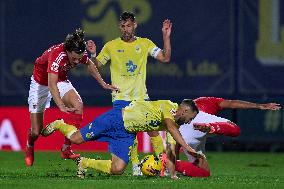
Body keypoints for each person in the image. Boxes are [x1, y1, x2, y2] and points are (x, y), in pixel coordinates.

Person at [86, 11, 172, 175]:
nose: (126, 29)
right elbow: (96, 66)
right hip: (121, 98)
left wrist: (166, 36)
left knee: (153, 129)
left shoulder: (145, 43)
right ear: (120, 26)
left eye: (129, 26)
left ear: (135, 25)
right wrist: (92, 54)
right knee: (129, 134)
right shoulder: (111, 46)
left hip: (141, 98)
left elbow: (165, 58)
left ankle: (164, 166)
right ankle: (135, 166)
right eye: (123, 26)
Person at [41, 99, 204, 180]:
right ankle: (59, 124)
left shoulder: (176, 124)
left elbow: (170, 146)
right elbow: (170, 127)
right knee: (76, 139)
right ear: (184, 110)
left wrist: (172, 174)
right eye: (191, 117)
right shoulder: (169, 107)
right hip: (116, 119)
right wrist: (188, 148)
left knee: (118, 169)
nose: (190, 121)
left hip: (126, 134)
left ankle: (85, 163)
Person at [25, 29, 118, 166]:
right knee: (36, 132)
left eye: (78, 58)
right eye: (73, 58)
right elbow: (51, 84)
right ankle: (30, 142)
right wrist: (61, 105)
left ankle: (66, 148)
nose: (76, 62)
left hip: (61, 80)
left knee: (78, 105)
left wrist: (104, 84)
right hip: (40, 84)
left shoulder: (78, 52)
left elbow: (90, 64)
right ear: (67, 51)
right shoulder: (57, 55)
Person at [166, 97, 281, 177]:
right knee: (235, 129)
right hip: (194, 128)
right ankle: (166, 163)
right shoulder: (204, 103)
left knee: (204, 172)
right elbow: (231, 104)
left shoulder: (195, 105)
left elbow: (231, 103)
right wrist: (258, 106)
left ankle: (165, 163)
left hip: (186, 132)